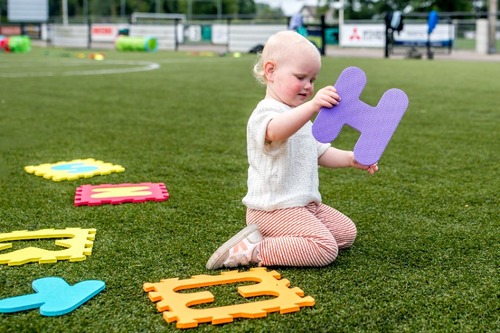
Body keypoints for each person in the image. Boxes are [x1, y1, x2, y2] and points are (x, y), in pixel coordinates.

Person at [206, 31, 378, 270]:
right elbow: (275, 132)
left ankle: (274, 239)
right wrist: (312, 106)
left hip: (304, 206)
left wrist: (351, 159)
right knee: (325, 248)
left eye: (312, 79)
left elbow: (320, 152)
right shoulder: (266, 113)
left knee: (346, 233)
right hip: (273, 209)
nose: (308, 86)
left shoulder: (299, 117)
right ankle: (252, 250)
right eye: (301, 77)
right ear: (271, 71)